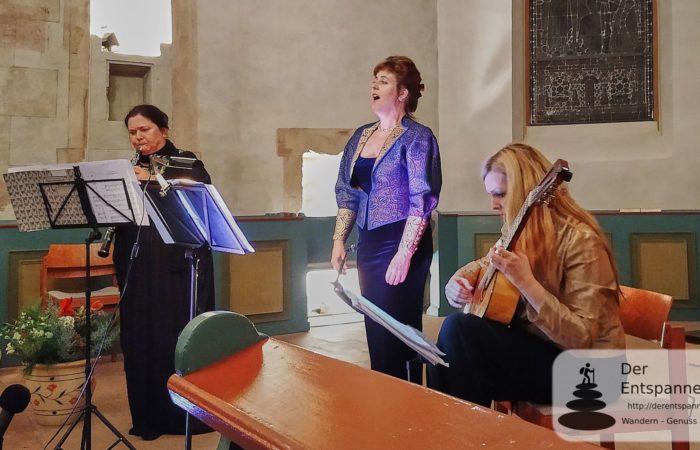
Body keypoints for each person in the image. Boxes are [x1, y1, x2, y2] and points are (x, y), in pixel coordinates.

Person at [428, 143, 625, 406]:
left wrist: (527, 284)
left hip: (591, 371)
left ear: (528, 192)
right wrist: (458, 281)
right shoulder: (519, 233)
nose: (493, 204)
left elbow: (582, 338)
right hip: (542, 349)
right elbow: (485, 263)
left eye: (500, 194)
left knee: (460, 339)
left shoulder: (581, 240)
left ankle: (465, 435)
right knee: (447, 355)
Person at [332, 56, 441, 383]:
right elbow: (346, 191)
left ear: (403, 92)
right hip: (369, 244)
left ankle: (410, 403)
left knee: (400, 330)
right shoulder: (361, 136)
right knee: (376, 329)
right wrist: (338, 240)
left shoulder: (418, 137)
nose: (374, 86)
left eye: (383, 80)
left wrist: (404, 253)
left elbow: (421, 199)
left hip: (403, 242)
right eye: (374, 80)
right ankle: (384, 400)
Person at [113, 104, 214, 440]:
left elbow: (199, 197)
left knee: (170, 340)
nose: (138, 137)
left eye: (145, 129)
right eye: (133, 132)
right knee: (140, 339)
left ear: (163, 130)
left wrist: (155, 179)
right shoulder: (128, 168)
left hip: (175, 270)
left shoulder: (187, 161)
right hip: (137, 264)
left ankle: (183, 418)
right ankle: (148, 419)